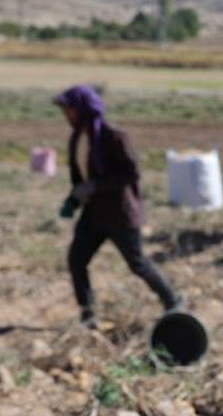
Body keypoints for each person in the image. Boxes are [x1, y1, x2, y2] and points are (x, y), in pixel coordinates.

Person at [54, 85, 180, 328]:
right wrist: (74, 198)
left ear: (82, 109)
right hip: (93, 214)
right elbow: (80, 176)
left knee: (137, 264)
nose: (66, 114)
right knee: (76, 260)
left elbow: (131, 173)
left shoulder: (113, 136)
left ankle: (173, 300)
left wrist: (96, 185)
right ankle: (88, 314)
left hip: (120, 214)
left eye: (69, 109)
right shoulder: (77, 137)